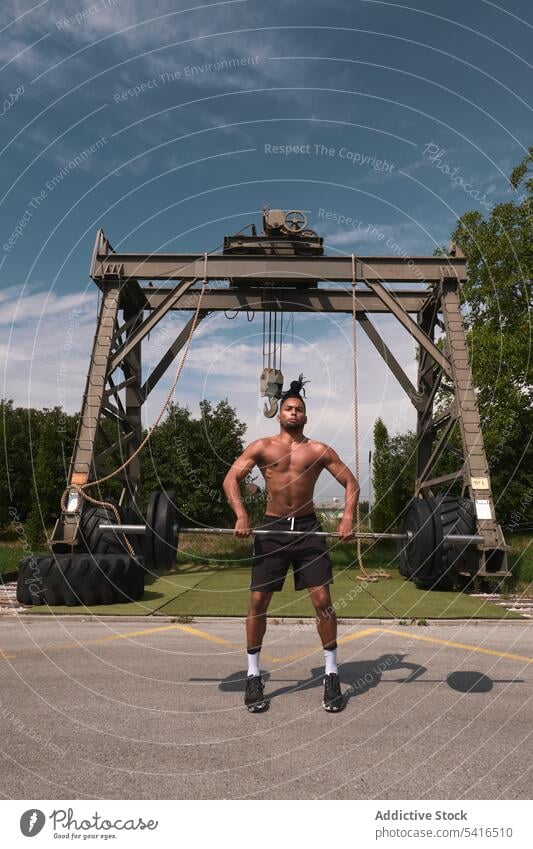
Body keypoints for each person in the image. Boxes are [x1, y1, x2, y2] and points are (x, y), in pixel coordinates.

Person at [223, 376, 359, 713]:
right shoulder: (262, 447)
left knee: (323, 600)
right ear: (279, 414)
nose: (294, 413)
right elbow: (231, 478)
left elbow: (351, 483)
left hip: (309, 531)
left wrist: (346, 518)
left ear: (305, 416)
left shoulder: (318, 450)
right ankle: (253, 675)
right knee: (258, 601)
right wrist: (241, 515)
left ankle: (331, 672)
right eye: (288, 408)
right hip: (272, 529)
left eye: (299, 409)